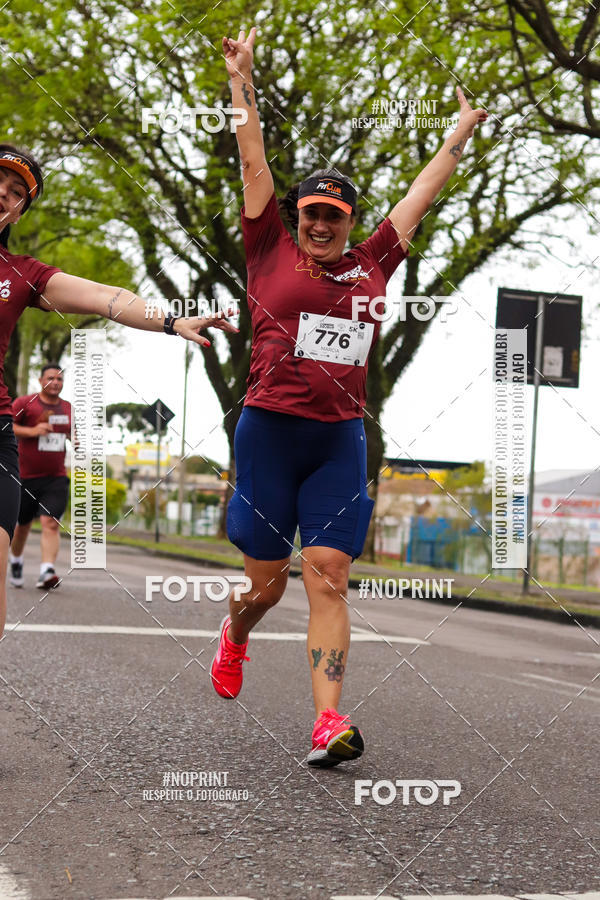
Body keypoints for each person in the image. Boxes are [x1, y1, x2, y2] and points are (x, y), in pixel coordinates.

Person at [210, 28, 488, 768]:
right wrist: (242, 82)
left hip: (338, 438)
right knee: (264, 588)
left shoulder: (374, 263)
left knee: (327, 573)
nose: (323, 223)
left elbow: (424, 191)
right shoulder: (268, 247)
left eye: (336, 214)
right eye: (313, 213)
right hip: (269, 433)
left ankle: (327, 722)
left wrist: (460, 129)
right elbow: (253, 160)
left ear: (350, 222)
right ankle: (235, 633)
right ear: (297, 215)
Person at [0, 144, 237, 636]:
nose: (3, 196)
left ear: (20, 211)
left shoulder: (22, 274)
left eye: (16, 193)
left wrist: (171, 320)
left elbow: (109, 299)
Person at [9, 362, 72, 590]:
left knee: (50, 523)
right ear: (40, 380)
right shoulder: (26, 403)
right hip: (25, 476)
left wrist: (78, 440)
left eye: (60, 379)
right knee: (22, 526)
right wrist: (32, 431)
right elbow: (7, 426)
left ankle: (47, 570)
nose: (55, 383)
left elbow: (75, 434)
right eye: (51, 378)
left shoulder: (68, 408)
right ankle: (16, 560)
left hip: (55, 477)